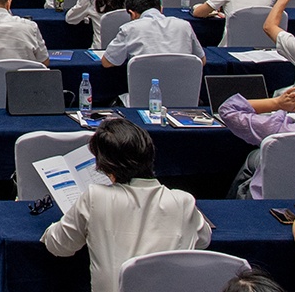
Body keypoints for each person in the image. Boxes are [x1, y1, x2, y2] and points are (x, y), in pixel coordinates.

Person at [41, 118, 211, 292]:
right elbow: (203, 240)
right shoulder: (183, 201)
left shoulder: (95, 197)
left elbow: (59, 245)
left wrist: (53, 229)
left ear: (106, 166)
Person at [220, 66, 295, 199]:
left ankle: (232, 206)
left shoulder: (278, 129)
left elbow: (227, 110)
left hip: (266, 204)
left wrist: (277, 103)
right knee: (255, 156)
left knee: (256, 159)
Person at [101, 0, 205, 67]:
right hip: (183, 88)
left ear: (132, 14)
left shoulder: (129, 29)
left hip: (144, 89)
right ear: (161, 9)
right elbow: (201, 60)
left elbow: (107, 63)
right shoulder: (184, 25)